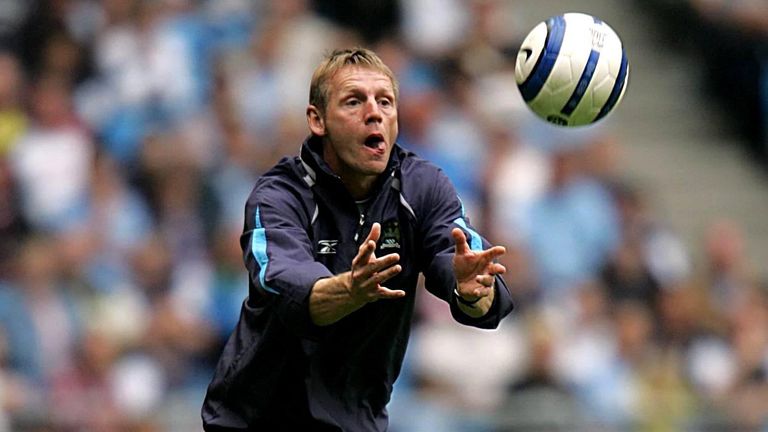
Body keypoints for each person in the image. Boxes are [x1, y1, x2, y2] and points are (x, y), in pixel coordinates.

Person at [201, 47, 514, 431]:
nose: (374, 112)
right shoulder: (278, 197)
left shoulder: (423, 188)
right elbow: (291, 291)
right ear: (318, 120)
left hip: (356, 421)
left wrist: (472, 290)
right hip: (258, 420)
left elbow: (472, 278)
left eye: (385, 101)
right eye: (354, 101)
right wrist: (352, 289)